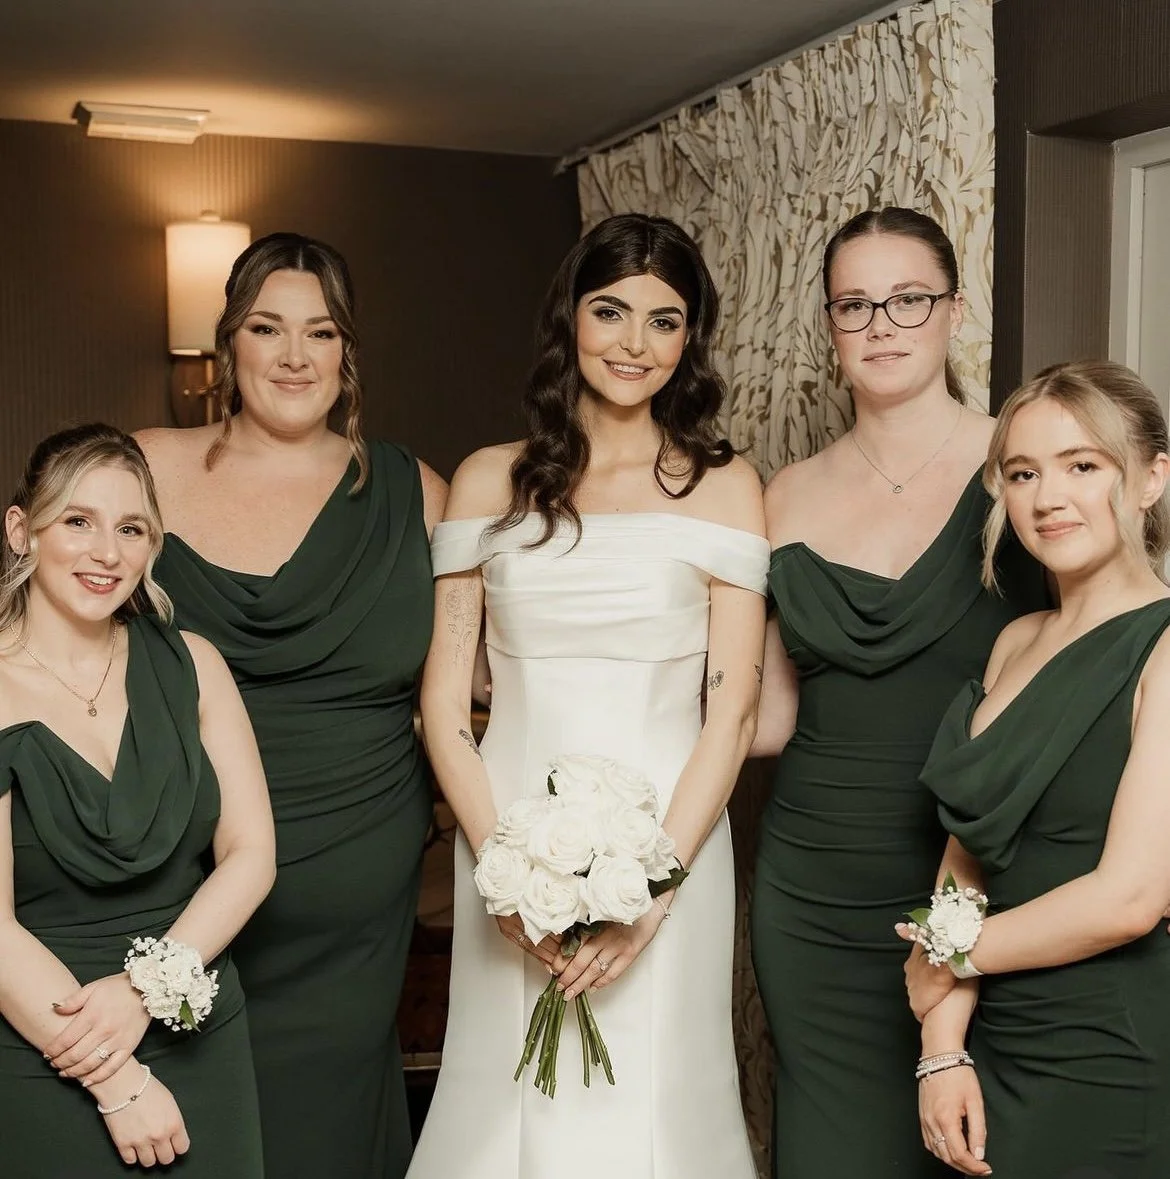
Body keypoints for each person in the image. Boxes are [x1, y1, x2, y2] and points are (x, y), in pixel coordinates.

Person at [409, 213, 766, 1179]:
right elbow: (442, 705)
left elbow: (730, 714)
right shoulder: (491, 479)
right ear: (571, 317)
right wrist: (503, 873)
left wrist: (653, 892)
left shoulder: (728, 488)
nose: (634, 343)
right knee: (505, 1095)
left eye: (664, 319)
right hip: (508, 838)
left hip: (672, 843)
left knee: (656, 1092)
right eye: (611, 312)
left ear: (690, 338)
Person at [137, 232, 448, 1179]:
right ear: (227, 342)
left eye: (321, 332)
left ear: (348, 352)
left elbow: (475, 682)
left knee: (327, 1130)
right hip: (182, 869)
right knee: (184, 1121)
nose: (294, 355)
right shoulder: (146, 469)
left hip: (356, 880)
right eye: (267, 328)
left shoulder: (415, 493)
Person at [749, 207, 1048, 1178]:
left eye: (908, 298)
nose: (882, 323)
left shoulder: (1025, 465)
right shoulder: (782, 493)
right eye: (855, 304)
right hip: (809, 891)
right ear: (830, 325)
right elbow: (764, 713)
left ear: (955, 310)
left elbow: (1111, 642)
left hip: (975, 877)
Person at [902, 361, 1170, 1177]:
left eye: (1083, 465)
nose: (1048, 497)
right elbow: (968, 844)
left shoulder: (1165, 648)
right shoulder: (1014, 640)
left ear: (1152, 477)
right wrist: (942, 1047)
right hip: (992, 1033)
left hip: (1110, 1044)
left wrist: (946, 956)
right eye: (1023, 472)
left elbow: (1129, 897)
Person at [0, 424, 275, 1177]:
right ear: (21, 529)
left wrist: (144, 991)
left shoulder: (195, 664)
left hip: (197, 1023)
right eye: (77, 521)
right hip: (43, 1042)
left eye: (132, 528)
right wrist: (116, 1082)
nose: (107, 552)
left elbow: (251, 856)